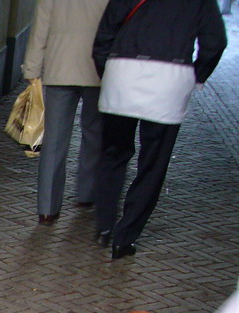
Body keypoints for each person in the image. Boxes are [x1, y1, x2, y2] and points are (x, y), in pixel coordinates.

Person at [92, 0, 226, 259]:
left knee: (112, 154)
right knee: (153, 163)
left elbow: (103, 37)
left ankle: (104, 224)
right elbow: (215, 43)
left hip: (123, 75)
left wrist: (107, 73)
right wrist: (197, 76)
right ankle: (125, 236)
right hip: (170, 81)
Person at [22, 0, 109, 226]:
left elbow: (40, 28)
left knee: (55, 139)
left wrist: (31, 68)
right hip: (97, 69)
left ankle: (47, 208)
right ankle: (86, 193)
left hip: (59, 67)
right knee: (94, 134)